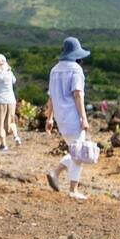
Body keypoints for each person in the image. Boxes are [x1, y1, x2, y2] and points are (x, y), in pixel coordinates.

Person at [46, 37, 94, 199]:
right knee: (78, 153)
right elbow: (78, 95)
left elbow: (51, 96)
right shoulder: (76, 70)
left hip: (61, 117)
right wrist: (83, 117)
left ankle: (56, 173)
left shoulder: (54, 70)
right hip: (73, 116)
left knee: (75, 150)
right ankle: (71, 188)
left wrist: (49, 118)